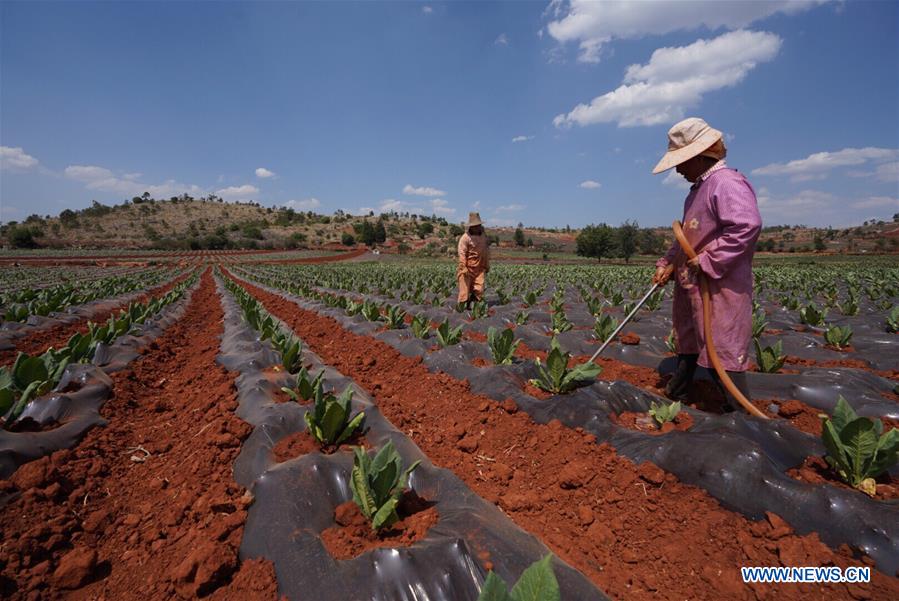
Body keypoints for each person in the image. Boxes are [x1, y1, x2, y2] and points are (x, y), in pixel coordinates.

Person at [650, 117, 762, 409]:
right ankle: (680, 390)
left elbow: (746, 226)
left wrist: (710, 259)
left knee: (721, 345)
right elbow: (686, 237)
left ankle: (739, 412)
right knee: (689, 338)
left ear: (700, 156)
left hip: (718, 286)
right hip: (693, 284)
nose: (677, 169)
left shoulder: (726, 183)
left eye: (682, 161)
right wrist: (668, 263)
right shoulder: (697, 190)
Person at [457, 212, 490, 308]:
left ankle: (474, 306)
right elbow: (462, 253)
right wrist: (463, 266)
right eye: (476, 225)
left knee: (479, 290)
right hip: (467, 268)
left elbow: (486, 251)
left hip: (479, 268)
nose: (478, 227)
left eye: (479, 225)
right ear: (471, 226)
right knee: (464, 292)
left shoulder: (483, 236)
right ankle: (462, 308)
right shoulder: (465, 238)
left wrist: (486, 264)